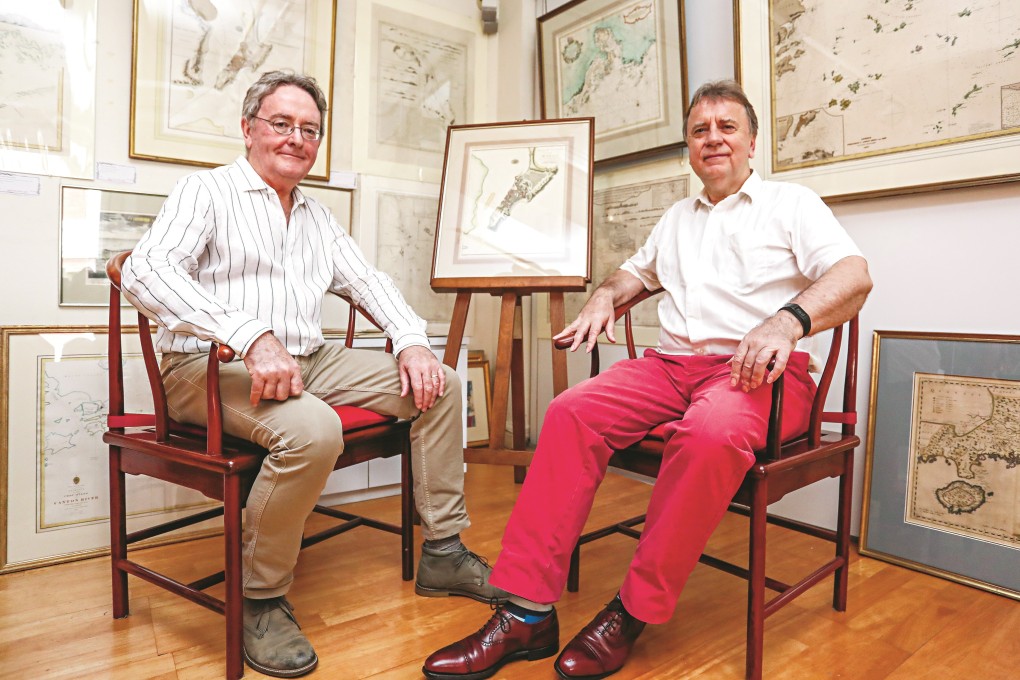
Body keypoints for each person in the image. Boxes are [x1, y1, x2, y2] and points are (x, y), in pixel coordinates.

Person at [422, 80, 873, 679]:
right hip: (672, 367)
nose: (713, 138)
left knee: (709, 434)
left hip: (759, 372)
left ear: (752, 142)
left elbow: (854, 275)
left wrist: (787, 322)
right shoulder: (676, 219)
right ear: (689, 148)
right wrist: (605, 298)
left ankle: (632, 610)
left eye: (727, 127)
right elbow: (632, 275)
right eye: (699, 130)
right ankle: (527, 613)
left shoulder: (792, 204)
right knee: (569, 412)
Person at [120, 70, 505, 679]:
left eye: (310, 129)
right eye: (281, 124)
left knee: (441, 386)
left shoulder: (316, 217)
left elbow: (368, 283)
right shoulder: (206, 192)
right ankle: (260, 597)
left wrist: (411, 343)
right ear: (248, 130)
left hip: (310, 360)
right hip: (204, 368)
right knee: (314, 430)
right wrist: (248, 335)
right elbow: (146, 272)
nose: (296, 138)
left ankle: (443, 551)